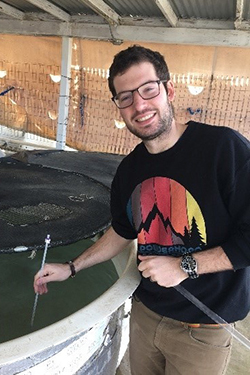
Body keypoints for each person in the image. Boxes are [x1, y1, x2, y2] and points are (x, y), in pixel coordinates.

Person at [34, 45, 250, 375]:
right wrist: (71, 267)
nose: (139, 104)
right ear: (119, 108)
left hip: (202, 328)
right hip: (146, 314)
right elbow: (122, 231)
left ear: (169, 89)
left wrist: (184, 265)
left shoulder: (224, 149)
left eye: (148, 89)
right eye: (125, 97)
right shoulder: (129, 170)